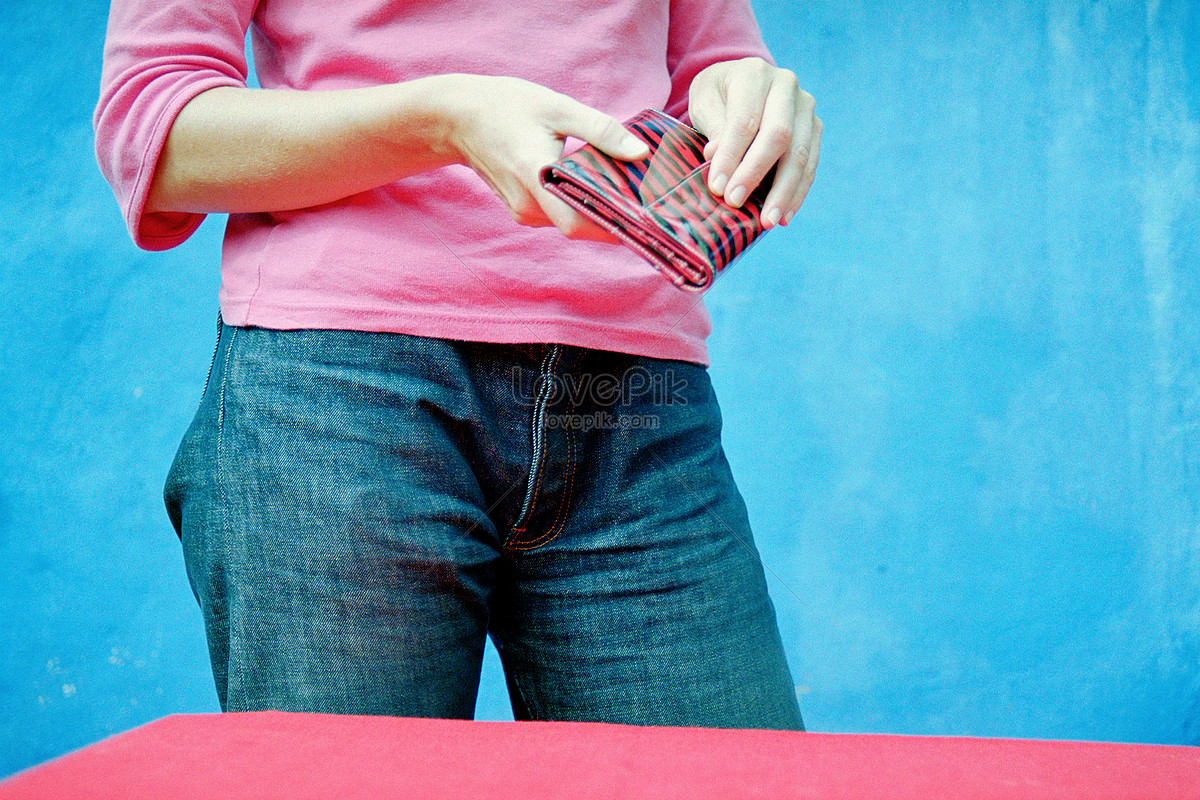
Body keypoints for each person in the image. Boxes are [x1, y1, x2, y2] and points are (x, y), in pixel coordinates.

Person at [94, 0, 821, 729]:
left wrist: (753, 110)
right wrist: (443, 119)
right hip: (340, 403)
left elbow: (707, 77)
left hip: (636, 404)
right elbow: (152, 132)